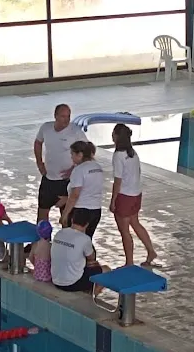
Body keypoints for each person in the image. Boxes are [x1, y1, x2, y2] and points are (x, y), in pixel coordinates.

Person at [110, 124, 158, 267]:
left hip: (125, 196)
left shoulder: (118, 155)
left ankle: (129, 263)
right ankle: (150, 251)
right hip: (136, 194)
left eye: (113, 133)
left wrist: (113, 201)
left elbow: (117, 181)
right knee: (135, 223)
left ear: (117, 137)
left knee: (124, 231)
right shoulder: (132, 153)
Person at [34, 104, 88, 225]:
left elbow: (88, 151)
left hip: (66, 181)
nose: (67, 119)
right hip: (48, 179)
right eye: (63, 116)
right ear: (55, 116)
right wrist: (39, 162)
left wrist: (74, 168)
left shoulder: (75, 131)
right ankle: (43, 241)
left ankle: (66, 241)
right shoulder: (46, 128)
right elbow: (38, 142)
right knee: (42, 215)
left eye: (68, 116)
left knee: (67, 218)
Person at [51, 209, 110, 294]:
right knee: (106, 270)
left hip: (55, 280)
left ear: (72, 220)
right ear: (87, 224)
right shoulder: (84, 239)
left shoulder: (59, 233)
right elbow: (92, 258)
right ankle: (92, 297)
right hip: (72, 284)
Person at [59, 141, 104, 239]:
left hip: (82, 211)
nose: (71, 157)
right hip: (96, 210)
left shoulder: (79, 170)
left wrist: (65, 214)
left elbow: (75, 195)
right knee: (87, 241)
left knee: (76, 242)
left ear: (80, 154)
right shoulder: (98, 167)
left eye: (72, 154)